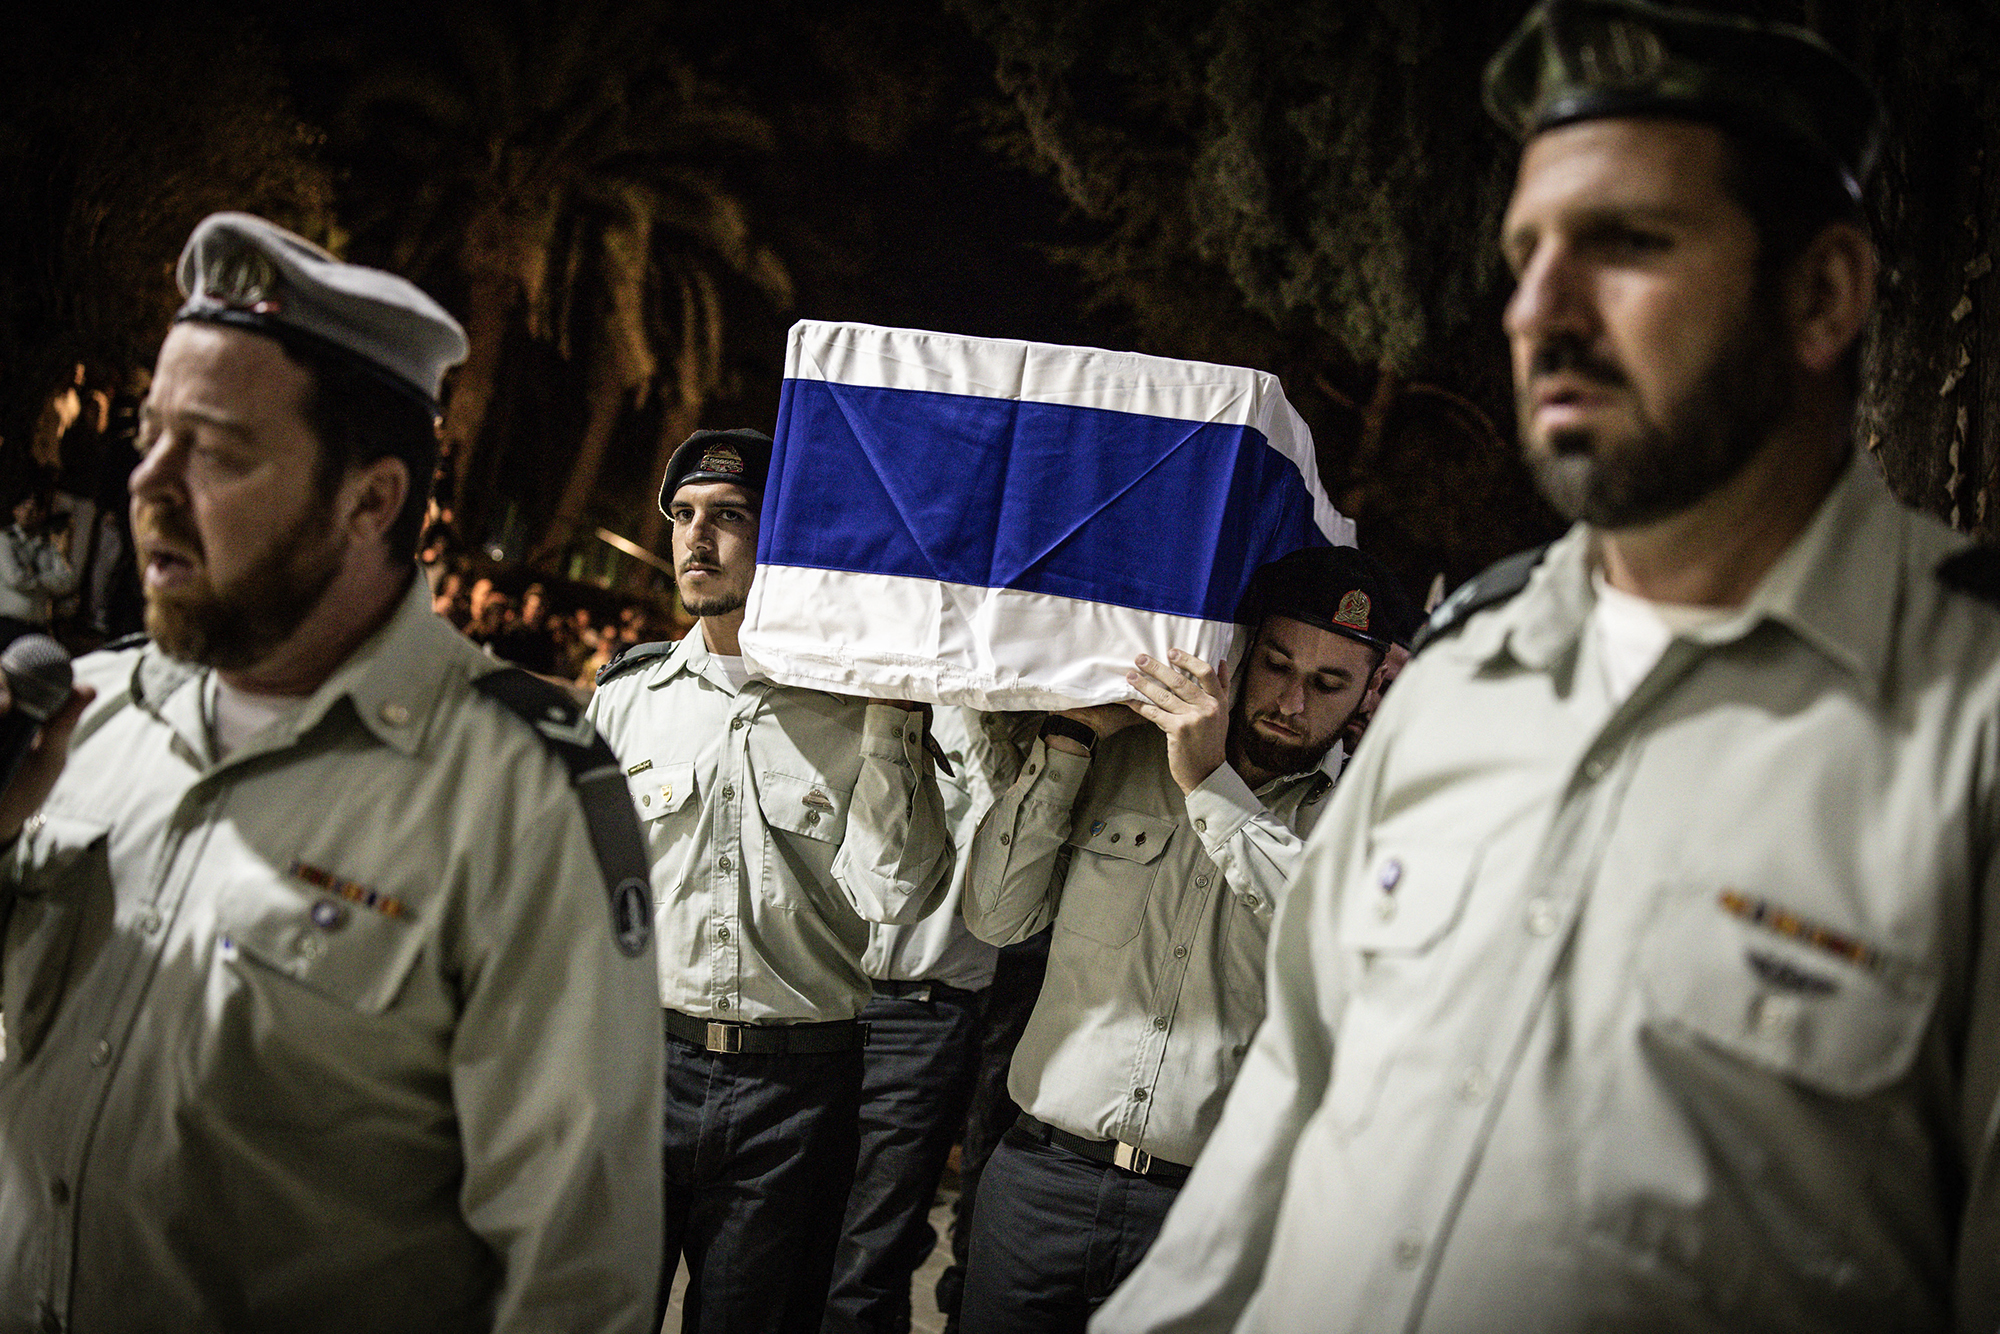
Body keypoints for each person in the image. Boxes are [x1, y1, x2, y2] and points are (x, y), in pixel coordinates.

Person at [1094, 3, 2000, 1330]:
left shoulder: (1967, 721)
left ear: (1822, 293)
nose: (1537, 310)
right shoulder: (1463, 676)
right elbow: (1289, 1109)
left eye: (1627, 242)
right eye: (1525, 254)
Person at [0, 212, 665, 1333]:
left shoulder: (517, 795)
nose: (146, 482)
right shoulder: (79, 714)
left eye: (216, 450)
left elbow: (574, 1275)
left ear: (370, 501)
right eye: (152, 435)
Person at [958, 545, 1414, 1334]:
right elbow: (997, 918)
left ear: (1369, 688)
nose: (1292, 701)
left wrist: (1211, 786)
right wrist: (1068, 738)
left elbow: (1332, 942)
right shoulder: (1121, 758)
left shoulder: (1371, 820)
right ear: (1240, 651)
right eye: (1276, 665)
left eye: (1328, 683)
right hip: (1040, 1184)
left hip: (1211, 1217)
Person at [586, 427, 953, 1334]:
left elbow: (897, 896)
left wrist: (895, 722)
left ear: (784, 534)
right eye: (683, 516)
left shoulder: (863, 711)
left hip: (797, 1092)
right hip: (640, 1065)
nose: (696, 538)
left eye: (729, 516)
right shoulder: (628, 698)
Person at [824, 706, 1040, 1334]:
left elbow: (1011, 863)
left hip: (929, 1013)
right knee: (802, 1232)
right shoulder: (867, 700)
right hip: (825, 999)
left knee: (871, 1249)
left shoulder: (1025, 729)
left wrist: (994, 726)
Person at [0, 487, 78, 642]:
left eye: (34, 509)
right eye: (24, 508)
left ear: (42, 514)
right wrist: (49, 581)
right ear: (15, 510)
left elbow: (67, 581)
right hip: (8, 623)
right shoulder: (5, 540)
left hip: (35, 627)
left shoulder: (47, 546)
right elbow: (16, 578)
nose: (28, 514)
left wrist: (34, 578)